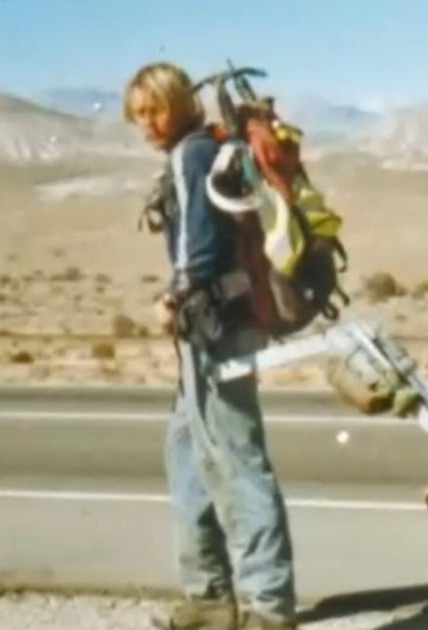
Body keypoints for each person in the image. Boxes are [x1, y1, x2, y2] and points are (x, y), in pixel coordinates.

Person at [123, 61, 298, 630]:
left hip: (216, 327)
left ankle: (269, 608)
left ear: (177, 102)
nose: (147, 123)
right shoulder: (201, 151)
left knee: (238, 465)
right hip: (212, 329)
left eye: (154, 109)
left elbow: (196, 250)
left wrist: (172, 300)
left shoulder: (189, 155)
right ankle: (209, 598)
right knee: (186, 457)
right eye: (138, 115)